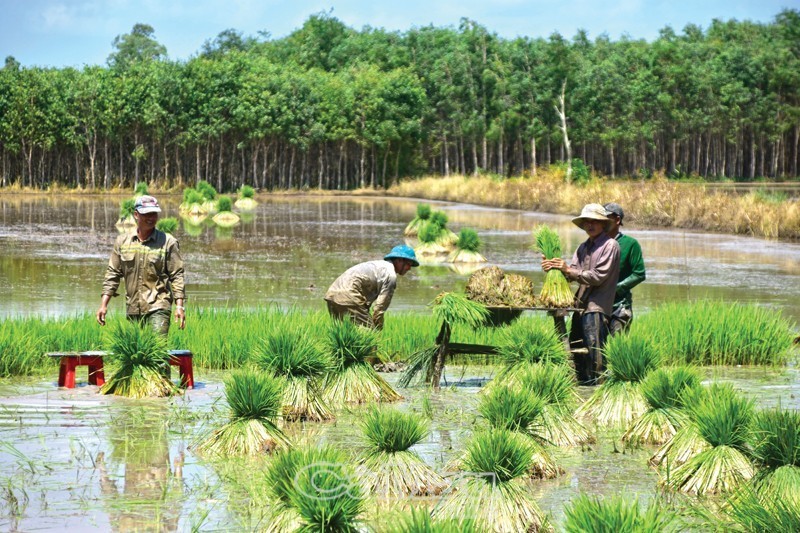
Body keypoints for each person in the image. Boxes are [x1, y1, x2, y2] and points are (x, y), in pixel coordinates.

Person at [542, 203, 620, 385]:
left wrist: (567, 269)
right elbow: (572, 274)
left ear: (603, 224)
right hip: (580, 307)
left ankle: (598, 392)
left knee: (595, 356)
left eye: (594, 221)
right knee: (577, 353)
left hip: (596, 308)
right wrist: (554, 268)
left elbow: (597, 277)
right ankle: (583, 391)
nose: (590, 225)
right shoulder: (583, 248)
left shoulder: (610, 245)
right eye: (586, 222)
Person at [96, 195, 186, 335]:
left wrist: (180, 307)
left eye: (154, 214)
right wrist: (103, 305)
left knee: (157, 349)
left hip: (159, 306)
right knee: (136, 354)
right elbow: (112, 275)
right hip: (133, 308)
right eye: (146, 214)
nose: (151, 218)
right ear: (136, 215)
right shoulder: (122, 242)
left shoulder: (168, 242)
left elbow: (177, 275)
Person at [324, 244, 419, 330]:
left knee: (344, 333)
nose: (409, 268)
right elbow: (379, 310)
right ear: (399, 260)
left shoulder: (378, 265)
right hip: (349, 294)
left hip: (332, 293)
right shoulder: (390, 276)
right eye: (409, 264)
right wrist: (377, 329)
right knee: (370, 337)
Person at [604, 203, 646, 335]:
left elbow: (639, 274)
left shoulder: (630, 244)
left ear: (617, 220)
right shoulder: (595, 243)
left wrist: (616, 288)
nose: (601, 221)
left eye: (606, 218)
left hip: (620, 306)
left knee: (617, 346)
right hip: (597, 305)